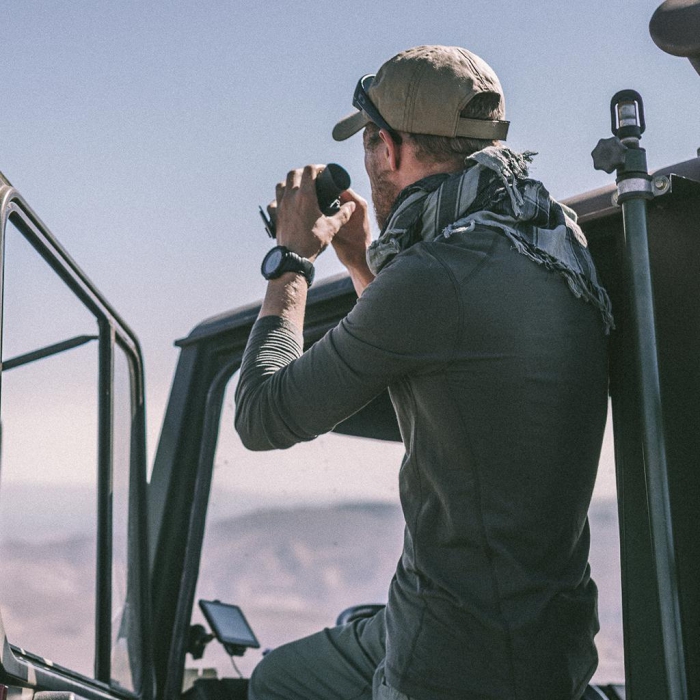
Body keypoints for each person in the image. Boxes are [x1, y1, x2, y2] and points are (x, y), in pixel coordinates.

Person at [235, 45, 612, 700]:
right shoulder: (548, 239)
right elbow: (447, 358)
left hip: (454, 659)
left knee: (276, 685)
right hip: (547, 639)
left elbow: (263, 415)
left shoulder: (434, 276)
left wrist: (292, 259)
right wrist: (360, 263)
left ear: (390, 148)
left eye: (371, 146)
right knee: (286, 672)